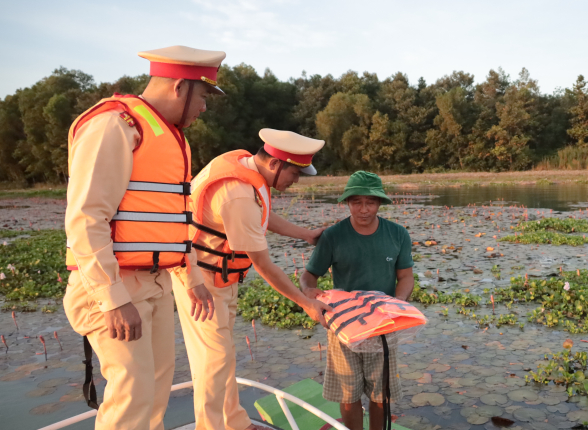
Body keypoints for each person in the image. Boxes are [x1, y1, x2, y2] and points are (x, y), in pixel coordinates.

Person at [63, 45, 223, 430]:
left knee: (155, 390)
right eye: (203, 96)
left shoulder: (169, 137)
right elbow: (86, 217)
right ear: (180, 87)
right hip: (114, 285)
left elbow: (170, 223)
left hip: (155, 283)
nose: (204, 108)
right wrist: (113, 298)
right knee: (132, 394)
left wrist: (192, 279)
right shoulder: (114, 126)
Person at [171, 128, 333, 430]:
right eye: (294, 173)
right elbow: (264, 265)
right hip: (201, 281)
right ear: (275, 163)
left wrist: (306, 234)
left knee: (223, 356)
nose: (296, 181)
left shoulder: (246, 168)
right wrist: (305, 303)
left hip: (222, 278)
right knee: (213, 360)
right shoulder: (237, 194)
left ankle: (234, 422)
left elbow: (261, 216)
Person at [299, 171, 415, 430]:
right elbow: (308, 276)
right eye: (356, 202)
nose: (364, 209)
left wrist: (398, 303)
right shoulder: (333, 236)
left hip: (383, 323)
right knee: (348, 393)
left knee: (380, 394)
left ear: (380, 202)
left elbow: (406, 277)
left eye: (370, 202)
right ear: (347, 203)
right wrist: (309, 293)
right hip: (345, 325)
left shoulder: (397, 234)